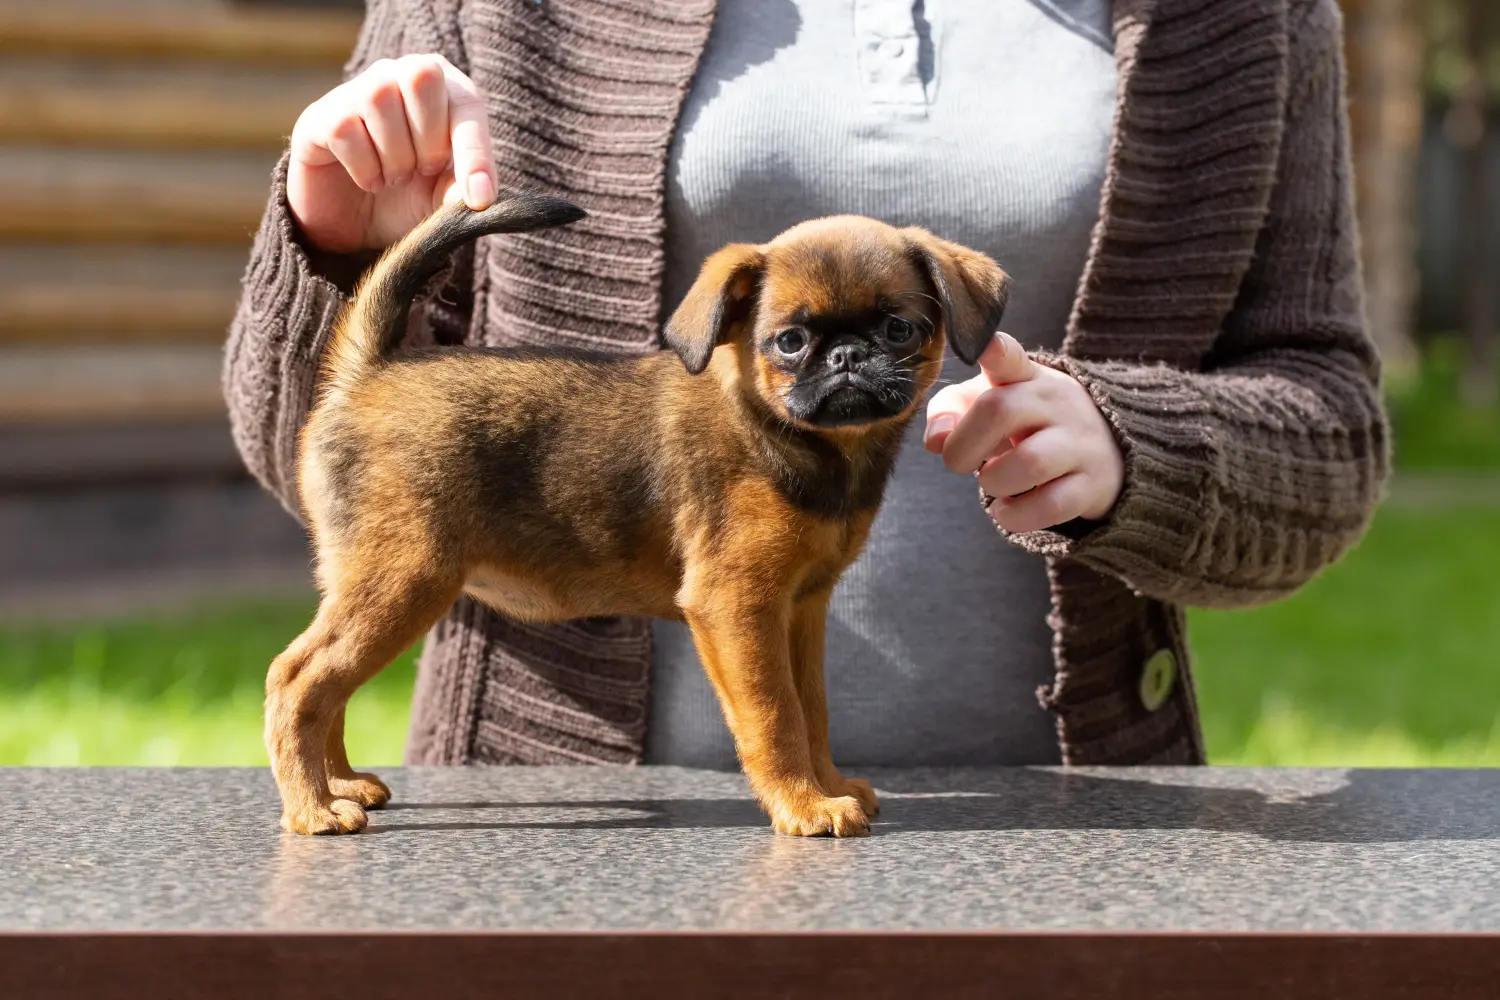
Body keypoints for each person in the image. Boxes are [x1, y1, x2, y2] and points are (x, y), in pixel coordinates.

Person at [225, 0, 1388, 769]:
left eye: (896, 335)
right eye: (797, 344)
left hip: (1067, 823)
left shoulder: (1238, 20)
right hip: (569, 821)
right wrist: (339, 251)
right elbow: (315, 455)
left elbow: (1330, 432)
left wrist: (1144, 452)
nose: (844, 366)